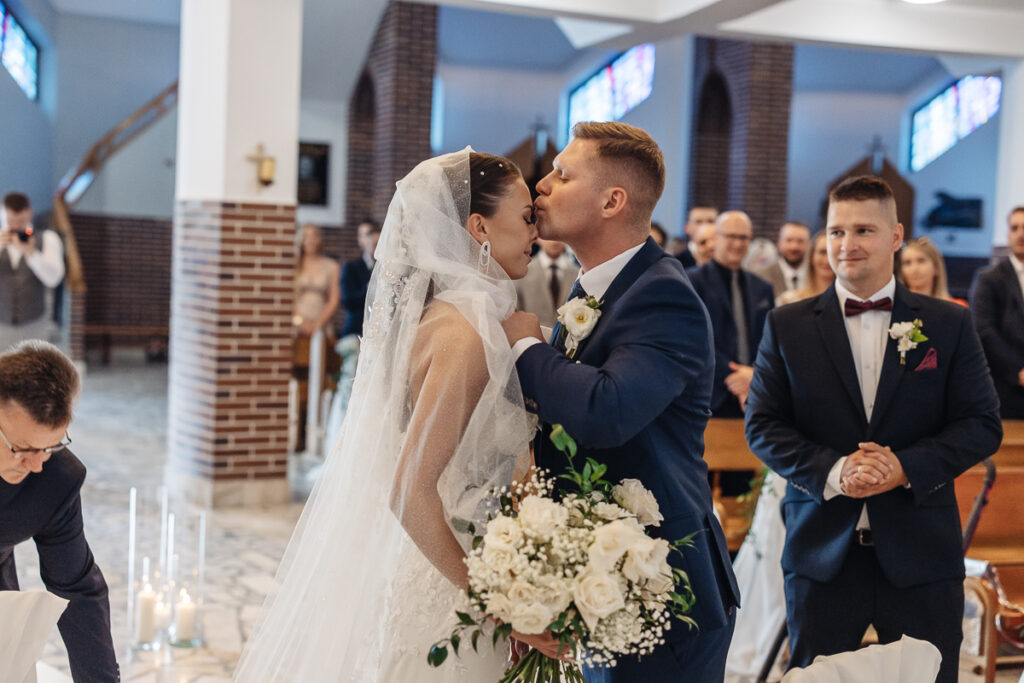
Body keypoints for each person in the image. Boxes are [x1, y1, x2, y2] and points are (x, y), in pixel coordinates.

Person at [234, 150, 539, 681]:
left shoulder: (453, 316)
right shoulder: (465, 332)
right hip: (451, 582)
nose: (537, 230)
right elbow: (409, 490)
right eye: (527, 216)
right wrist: (499, 606)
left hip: (442, 557)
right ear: (479, 227)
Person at [502, 121, 739, 682]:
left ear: (612, 201)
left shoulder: (663, 294)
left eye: (563, 175)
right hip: (609, 580)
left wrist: (526, 346)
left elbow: (606, 411)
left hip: (666, 594)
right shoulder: (597, 286)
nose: (542, 185)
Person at [745, 176, 1002, 683]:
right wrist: (836, 470)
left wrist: (904, 467)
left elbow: (981, 423)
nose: (847, 244)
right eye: (836, 231)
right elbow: (763, 425)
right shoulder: (787, 325)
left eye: (864, 230)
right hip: (822, 552)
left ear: (896, 236)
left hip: (921, 551)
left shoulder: (947, 324)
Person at [0, 341, 119, 681]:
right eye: (22, 449)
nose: (36, 465)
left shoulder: (56, 480)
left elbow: (77, 590)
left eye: (50, 447)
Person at [687, 211, 774, 417]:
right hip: (709, 392)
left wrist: (753, 373)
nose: (738, 243)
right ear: (716, 238)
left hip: (754, 390)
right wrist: (732, 374)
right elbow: (691, 338)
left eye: (744, 237)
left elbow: (770, 339)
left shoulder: (762, 287)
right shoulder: (691, 281)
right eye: (731, 236)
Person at [971, 206, 1024, 419]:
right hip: (1006, 386)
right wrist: (1018, 370)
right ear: (1008, 234)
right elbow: (984, 330)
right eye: (1014, 228)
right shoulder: (990, 278)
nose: (1020, 234)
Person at [0, 192, 65, 351]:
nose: (16, 226)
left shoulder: (47, 238)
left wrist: (32, 254)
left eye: (21, 221)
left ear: (30, 213)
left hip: (35, 324)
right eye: (11, 221)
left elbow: (54, 279)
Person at [514, 237, 579, 329]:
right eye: (548, 237)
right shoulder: (521, 272)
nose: (553, 242)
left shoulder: (578, 273)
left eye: (558, 236)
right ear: (537, 237)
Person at [293, 223, 340, 338]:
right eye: (306, 237)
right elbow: (288, 299)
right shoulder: (294, 265)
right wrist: (300, 322)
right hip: (296, 324)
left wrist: (317, 324)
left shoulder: (332, 266)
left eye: (314, 236)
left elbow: (334, 300)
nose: (310, 240)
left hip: (321, 325)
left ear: (319, 239)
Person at [339, 220, 380, 338]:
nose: (375, 246)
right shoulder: (351, 267)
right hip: (356, 330)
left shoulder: (385, 268)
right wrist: (370, 288)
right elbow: (347, 300)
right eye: (373, 243)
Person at [899, 237, 966, 306]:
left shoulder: (957, 307)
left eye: (921, 261)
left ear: (936, 267)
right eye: (907, 263)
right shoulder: (896, 305)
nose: (914, 269)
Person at [755, 221, 811, 298]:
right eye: (789, 240)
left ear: (809, 245)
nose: (794, 247)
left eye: (800, 241)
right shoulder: (761, 276)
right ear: (779, 244)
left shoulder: (817, 275)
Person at [777, 230, 834, 306]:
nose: (827, 260)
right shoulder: (788, 301)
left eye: (833, 253)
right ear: (811, 256)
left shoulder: (847, 299)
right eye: (822, 252)